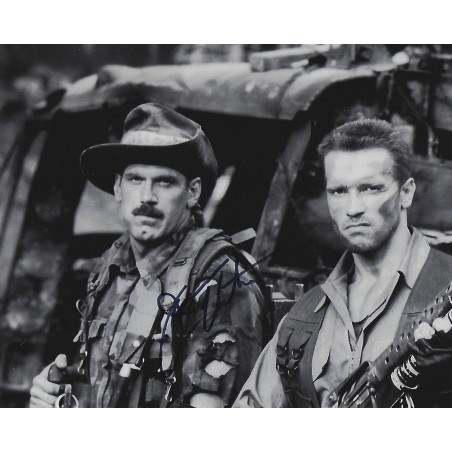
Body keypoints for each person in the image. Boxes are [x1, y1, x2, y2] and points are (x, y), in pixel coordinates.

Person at [29, 102, 269, 408]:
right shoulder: (109, 269)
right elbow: (100, 381)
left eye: (164, 182)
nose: (146, 197)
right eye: (135, 179)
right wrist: (55, 393)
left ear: (193, 192)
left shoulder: (221, 282)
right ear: (118, 188)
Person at [234, 118, 452, 408]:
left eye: (371, 188)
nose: (353, 208)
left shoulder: (446, 291)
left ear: (406, 193)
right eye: (338, 191)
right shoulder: (304, 316)